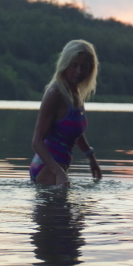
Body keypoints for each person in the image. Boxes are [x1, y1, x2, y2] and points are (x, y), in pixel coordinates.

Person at [30, 40, 102, 185]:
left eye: (84, 67)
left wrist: (91, 158)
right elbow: (36, 142)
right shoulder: (55, 93)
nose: (79, 72)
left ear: (91, 69)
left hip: (57, 169)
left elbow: (74, 131)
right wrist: (59, 173)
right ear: (65, 64)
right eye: (74, 65)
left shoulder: (75, 92)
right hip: (48, 169)